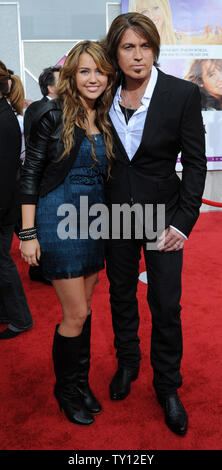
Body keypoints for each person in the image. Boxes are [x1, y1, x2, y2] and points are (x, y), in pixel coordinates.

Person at [103, 12, 207, 435]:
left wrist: (183, 223)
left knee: (165, 303)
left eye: (145, 46)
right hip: (114, 214)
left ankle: (167, 385)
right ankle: (128, 363)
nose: (138, 55)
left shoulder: (181, 93)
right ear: (115, 51)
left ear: (155, 49)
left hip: (163, 215)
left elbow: (196, 163)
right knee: (121, 295)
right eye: (129, 47)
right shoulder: (102, 90)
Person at [20, 41, 115, 425]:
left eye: (100, 71)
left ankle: (80, 382)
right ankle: (67, 389)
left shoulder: (105, 115)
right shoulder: (51, 114)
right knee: (74, 313)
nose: (93, 78)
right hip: (57, 219)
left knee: (87, 309)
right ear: (72, 74)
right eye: (85, 71)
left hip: (94, 222)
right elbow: (30, 174)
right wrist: (27, 234)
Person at [0, 61, 33, 339]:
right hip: (7, 200)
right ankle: (8, 312)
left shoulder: (5, 119)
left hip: (4, 202)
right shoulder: (7, 114)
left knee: (2, 261)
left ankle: (20, 318)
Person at [23, 66, 60, 285]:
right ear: (50, 86)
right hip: (44, 175)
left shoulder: (40, 107)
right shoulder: (41, 109)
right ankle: (41, 268)